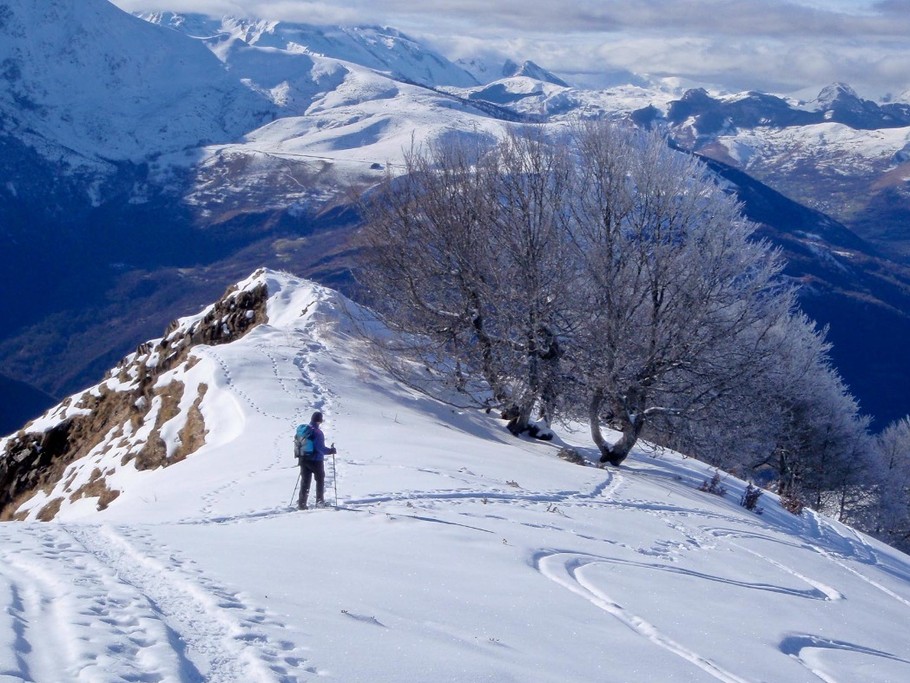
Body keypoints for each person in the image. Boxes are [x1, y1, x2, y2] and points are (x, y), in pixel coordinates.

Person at [297, 411, 336, 510]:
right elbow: (320, 448)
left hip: (303, 459)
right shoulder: (318, 432)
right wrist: (331, 451)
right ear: (319, 420)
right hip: (316, 460)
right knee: (320, 480)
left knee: (305, 481)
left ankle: (302, 503)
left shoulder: (304, 430)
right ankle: (319, 501)